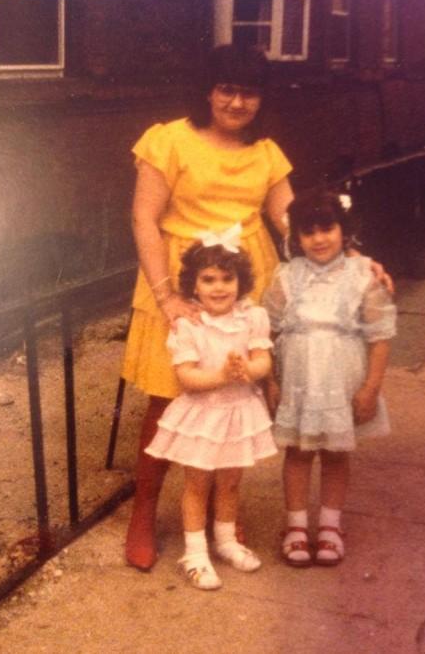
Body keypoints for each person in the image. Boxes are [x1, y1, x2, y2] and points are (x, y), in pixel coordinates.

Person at [123, 44, 294, 571]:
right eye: (227, 88)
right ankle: (145, 511)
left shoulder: (266, 152)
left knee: (234, 396)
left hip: (244, 285)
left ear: (260, 99)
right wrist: (167, 296)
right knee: (165, 400)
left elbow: (294, 222)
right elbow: (143, 219)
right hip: (176, 282)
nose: (237, 102)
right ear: (209, 90)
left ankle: (224, 514)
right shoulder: (169, 139)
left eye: (249, 92)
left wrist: (353, 259)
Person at [263, 189, 396, 567]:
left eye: (327, 229)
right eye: (309, 232)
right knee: (299, 451)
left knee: (336, 453)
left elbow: (381, 334)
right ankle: (296, 527)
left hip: (343, 379)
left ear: (344, 229)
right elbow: (266, 332)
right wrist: (269, 382)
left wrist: (371, 388)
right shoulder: (286, 276)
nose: (319, 239)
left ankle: (331, 527)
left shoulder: (362, 274)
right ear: (296, 237)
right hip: (298, 380)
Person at [144, 237, 276, 590]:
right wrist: (220, 375)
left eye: (227, 279)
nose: (219, 288)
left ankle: (227, 540)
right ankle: (195, 552)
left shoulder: (252, 317)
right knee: (198, 484)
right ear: (194, 285)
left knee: (231, 482)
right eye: (209, 280)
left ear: (240, 282)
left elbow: (264, 359)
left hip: (238, 412)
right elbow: (186, 376)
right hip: (203, 415)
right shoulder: (189, 325)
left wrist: (249, 369)